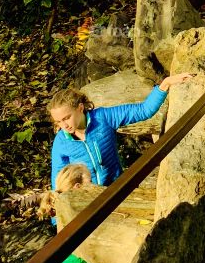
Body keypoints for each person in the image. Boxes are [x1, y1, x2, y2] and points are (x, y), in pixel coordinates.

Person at [48, 75, 191, 190]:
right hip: (85, 199)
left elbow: (143, 111)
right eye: (58, 121)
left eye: (66, 118)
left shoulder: (103, 118)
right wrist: (58, 220)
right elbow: (58, 182)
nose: (64, 125)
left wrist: (165, 84)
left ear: (80, 108)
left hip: (116, 190)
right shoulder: (61, 142)